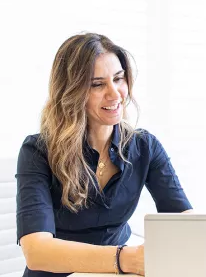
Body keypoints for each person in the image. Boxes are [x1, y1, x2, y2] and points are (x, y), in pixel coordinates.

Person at [16, 33, 193, 277]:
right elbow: (37, 252)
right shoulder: (37, 151)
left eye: (118, 79)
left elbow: (185, 223)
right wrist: (124, 259)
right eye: (97, 84)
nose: (115, 93)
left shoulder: (145, 147)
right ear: (71, 91)